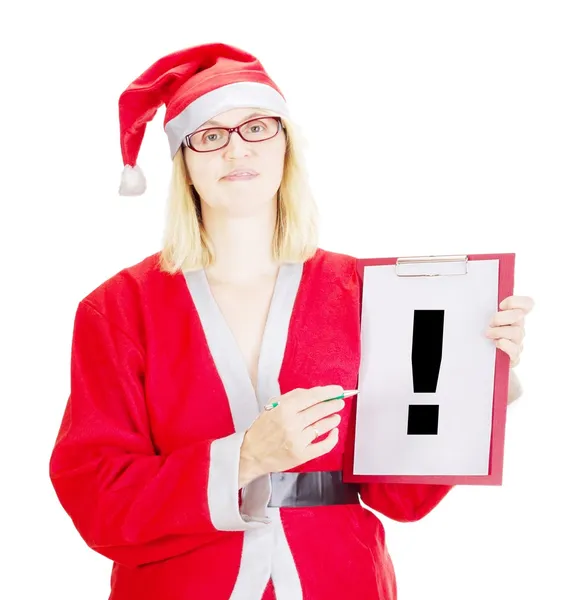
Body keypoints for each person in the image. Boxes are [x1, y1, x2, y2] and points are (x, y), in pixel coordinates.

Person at [48, 42, 535, 600]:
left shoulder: (362, 290)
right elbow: (98, 500)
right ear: (184, 162)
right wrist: (247, 458)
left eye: (257, 127)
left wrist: (482, 373)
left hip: (341, 580)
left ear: (285, 146)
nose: (236, 151)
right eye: (210, 135)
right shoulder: (117, 309)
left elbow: (401, 495)